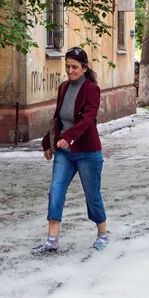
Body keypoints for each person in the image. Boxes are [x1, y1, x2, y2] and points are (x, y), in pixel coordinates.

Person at [32, 47, 108, 255]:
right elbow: (58, 117)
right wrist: (47, 143)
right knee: (56, 190)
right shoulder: (64, 88)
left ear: (84, 68)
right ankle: (52, 240)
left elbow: (87, 119)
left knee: (92, 195)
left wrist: (69, 137)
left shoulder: (92, 89)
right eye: (68, 67)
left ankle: (102, 234)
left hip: (87, 152)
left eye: (75, 67)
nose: (70, 71)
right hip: (64, 152)